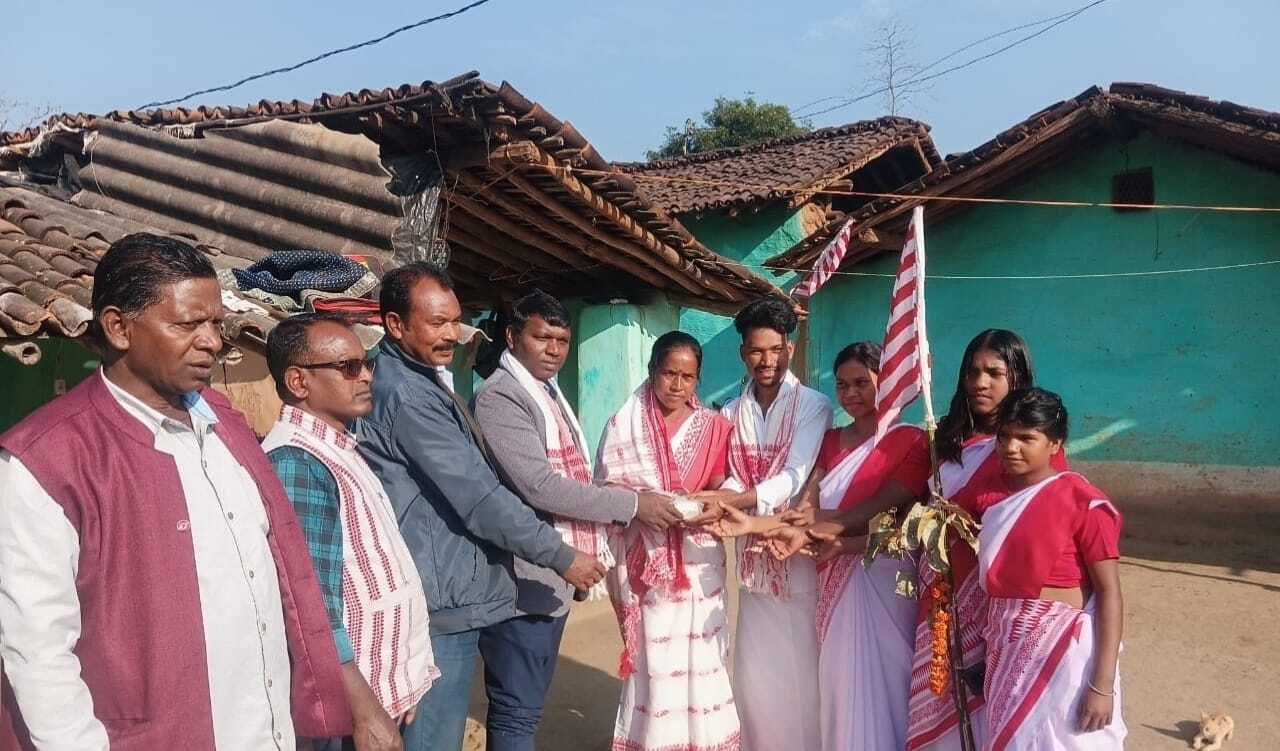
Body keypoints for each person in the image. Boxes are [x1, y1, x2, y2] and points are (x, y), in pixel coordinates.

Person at [0, 233, 349, 749]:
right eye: (188, 325)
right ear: (119, 328)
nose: (212, 341)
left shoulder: (223, 423)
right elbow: (37, 651)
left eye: (215, 324)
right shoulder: (47, 460)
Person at [354, 262, 605, 751]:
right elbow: (480, 497)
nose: (452, 334)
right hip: (440, 597)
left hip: (452, 587)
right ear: (396, 325)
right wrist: (561, 555)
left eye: (455, 320)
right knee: (440, 736)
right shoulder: (410, 395)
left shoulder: (423, 380)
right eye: (437, 323)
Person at [796, 329, 1064, 751]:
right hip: (938, 600)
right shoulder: (945, 444)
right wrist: (841, 536)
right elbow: (909, 520)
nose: (980, 383)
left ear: (1017, 377)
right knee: (942, 716)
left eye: (994, 373)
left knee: (993, 713)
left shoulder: (1029, 452)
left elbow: (1044, 529)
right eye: (973, 372)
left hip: (998, 606)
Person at [471, 290, 679, 750]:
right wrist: (631, 504)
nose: (553, 350)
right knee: (516, 710)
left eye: (562, 340)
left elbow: (574, 474)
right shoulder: (501, 397)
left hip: (550, 575)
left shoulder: (546, 392)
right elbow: (540, 486)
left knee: (527, 705)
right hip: (521, 575)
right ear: (512, 337)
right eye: (541, 337)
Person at [720, 341, 930, 751]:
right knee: (840, 684)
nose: (851, 393)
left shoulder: (913, 441)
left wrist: (809, 531)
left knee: (889, 681)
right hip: (834, 581)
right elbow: (805, 510)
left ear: (886, 380)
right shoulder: (831, 441)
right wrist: (755, 524)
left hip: (885, 578)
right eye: (842, 385)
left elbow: (877, 508)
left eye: (861, 383)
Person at [263, 314, 440, 751]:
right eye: (348, 367)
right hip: (345, 709)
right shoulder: (297, 462)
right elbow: (313, 606)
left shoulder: (336, 447)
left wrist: (400, 678)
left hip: (376, 688)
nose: (365, 377)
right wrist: (365, 710)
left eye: (366, 364)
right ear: (299, 382)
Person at [692, 298, 832, 751]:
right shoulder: (731, 412)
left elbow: (794, 475)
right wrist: (723, 498)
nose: (766, 360)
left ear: (789, 348)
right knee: (756, 679)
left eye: (775, 349)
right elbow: (733, 473)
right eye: (756, 350)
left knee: (803, 676)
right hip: (752, 564)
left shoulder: (813, 405)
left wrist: (736, 503)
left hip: (796, 556)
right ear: (742, 354)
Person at [595, 332, 739, 751]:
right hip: (646, 562)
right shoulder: (623, 426)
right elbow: (603, 488)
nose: (677, 385)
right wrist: (643, 507)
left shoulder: (713, 427)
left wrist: (709, 504)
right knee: (655, 660)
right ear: (651, 370)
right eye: (669, 373)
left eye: (688, 377)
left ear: (698, 380)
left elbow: (725, 484)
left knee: (703, 656)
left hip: (698, 559)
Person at [978, 388, 1125, 749]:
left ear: (1055, 444)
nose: (1011, 447)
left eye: (1026, 438)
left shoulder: (1084, 502)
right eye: (1005, 436)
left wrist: (1102, 685)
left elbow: (1109, 593)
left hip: (1062, 657)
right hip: (1007, 654)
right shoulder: (996, 504)